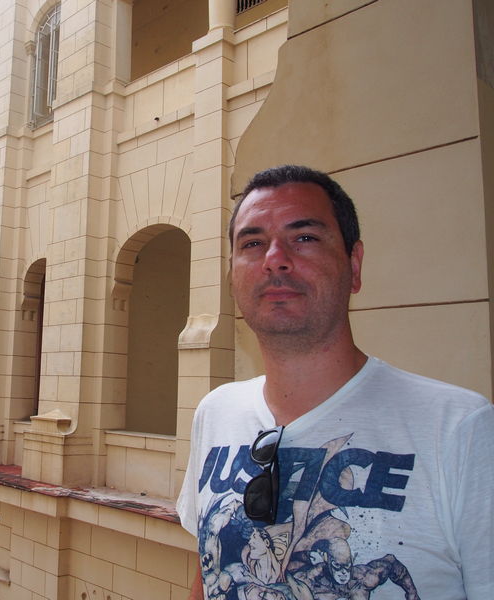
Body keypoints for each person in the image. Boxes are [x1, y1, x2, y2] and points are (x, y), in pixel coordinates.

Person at [176, 165, 493, 600]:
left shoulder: (461, 430)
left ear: (354, 264)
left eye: (304, 237)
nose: (274, 259)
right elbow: (206, 575)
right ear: (233, 275)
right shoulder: (215, 413)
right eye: (252, 243)